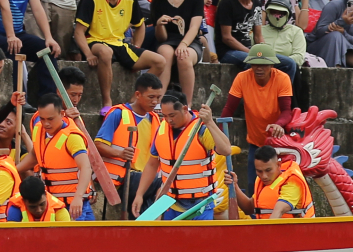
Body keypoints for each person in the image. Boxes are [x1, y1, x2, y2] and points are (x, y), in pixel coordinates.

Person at [131, 93, 231, 219]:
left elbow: (226, 150)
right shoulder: (162, 129)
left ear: (184, 109)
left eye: (172, 115)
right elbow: (152, 164)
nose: (168, 120)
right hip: (171, 203)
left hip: (200, 205)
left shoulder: (201, 129)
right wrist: (139, 194)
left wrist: (210, 122)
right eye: (165, 116)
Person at [73, 0, 146, 105]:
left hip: (119, 43)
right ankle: (107, 101)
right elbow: (79, 32)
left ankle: (134, 100)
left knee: (160, 61)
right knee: (105, 52)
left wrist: (136, 46)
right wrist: (88, 54)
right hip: (95, 40)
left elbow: (140, 25)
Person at [94, 71, 165, 214]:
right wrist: (120, 153)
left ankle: (149, 223)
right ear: (138, 95)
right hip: (122, 178)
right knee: (163, 183)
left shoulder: (155, 119)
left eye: (158, 98)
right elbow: (98, 145)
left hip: (144, 178)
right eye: (151, 97)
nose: (155, 102)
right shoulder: (118, 113)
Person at [223, 46, 293, 188]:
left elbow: (287, 111)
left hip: (277, 141)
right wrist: (218, 134)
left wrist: (279, 124)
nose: (259, 69)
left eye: (264, 65)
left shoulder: (282, 78)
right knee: (252, 185)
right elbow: (229, 109)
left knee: (279, 185)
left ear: (271, 65)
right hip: (255, 142)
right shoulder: (242, 78)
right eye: (255, 64)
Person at [19, 92, 94, 220]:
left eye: (50, 119)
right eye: (42, 119)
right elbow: (35, 155)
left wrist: (78, 197)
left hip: (73, 205)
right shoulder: (38, 129)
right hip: (54, 204)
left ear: (62, 114)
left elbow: (86, 167)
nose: (46, 123)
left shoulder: (72, 137)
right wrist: (14, 170)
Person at [4, 172, 73, 223]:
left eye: (42, 204)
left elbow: (66, 237)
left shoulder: (59, 210)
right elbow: (12, 236)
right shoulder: (15, 209)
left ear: (46, 195)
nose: (39, 210)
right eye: (33, 207)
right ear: (23, 201)